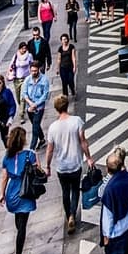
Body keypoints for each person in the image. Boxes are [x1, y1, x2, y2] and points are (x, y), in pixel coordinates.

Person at [45, 95, 95, 235]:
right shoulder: (77, 121)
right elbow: (83, 142)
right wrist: (89, 158)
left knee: (65, 192)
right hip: (75, 163)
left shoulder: (53, 128)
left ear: (56, 109)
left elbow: (49, 150)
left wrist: (48, 166)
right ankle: (73, 213)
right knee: (75, 190)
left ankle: (69, 216)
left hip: (62, 166)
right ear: (67, 106)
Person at [0, 127, 41, 254]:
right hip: (25, 192)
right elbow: (39, 172)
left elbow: (4, 177)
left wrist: (2, 194)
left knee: (18, 219)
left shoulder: (7, 157)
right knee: (22, 225)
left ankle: (19, 234)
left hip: (12, 192)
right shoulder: (29, 154)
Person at [100, 150, 128, 254]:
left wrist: (106, 237)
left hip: (116, 237)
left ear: (107, 169)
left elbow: (108, 218)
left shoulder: (109, 191)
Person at [22, 62, 50, 150]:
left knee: (35, 128)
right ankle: (42, 139)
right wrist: (30, 103)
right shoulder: (27, 80)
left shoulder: (44, 80)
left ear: (38, 70)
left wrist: (35, 104)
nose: (33, 72)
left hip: (39, 108)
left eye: (35, 71)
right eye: (32, 71)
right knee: (36, 124)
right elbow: (24, 93)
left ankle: (31, 149)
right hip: (29, 107)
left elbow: (45, 95)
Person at [8, 42, 33, 124]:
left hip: (25, 79)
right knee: (18, 98)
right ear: (19, 49)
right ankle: (22, 108)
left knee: (22, 97)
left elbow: (32, 65)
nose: (24, 50)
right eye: (22, 48)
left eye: (25, 48)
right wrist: (9, 72)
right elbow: (11, 65)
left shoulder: (29, 56)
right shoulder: (16, 56)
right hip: (17, 79)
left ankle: (21, 115)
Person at [57, 34, 77, 99]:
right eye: (63, 40)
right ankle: (65, 96)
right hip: (62, 68)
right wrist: (57, 68)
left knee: (70, 80)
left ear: (67, 39)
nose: (64, 41)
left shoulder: (71, 47)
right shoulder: (60, 49)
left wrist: (74, 66)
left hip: (70, 67)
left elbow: (73, 57)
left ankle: (72, 89)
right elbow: (59, 59)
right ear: (61, 41)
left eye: (65, 39)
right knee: (64, 82)